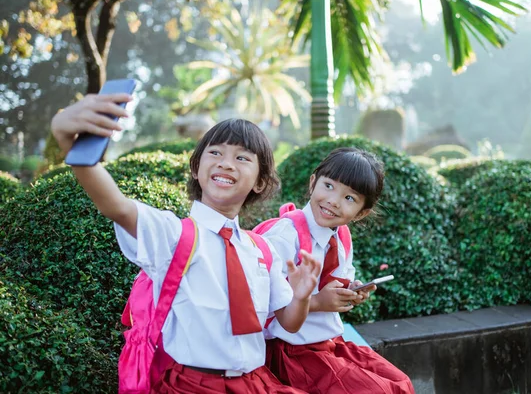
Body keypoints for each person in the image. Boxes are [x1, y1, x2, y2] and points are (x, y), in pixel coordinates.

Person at [51, 92, 321, 393]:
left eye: (242, 158)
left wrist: (301, 296)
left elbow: (289, 322)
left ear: (259, 181)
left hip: (255, 383)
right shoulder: (173, 234)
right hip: (191, 385)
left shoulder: (263, 250)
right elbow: (116, 206)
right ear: (196, 168)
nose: (227, 164)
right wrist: (74, 147)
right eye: (215, 153)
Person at [261, 147, 415, 394]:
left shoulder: (341, 236)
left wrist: (352, 290)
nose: (333, 200)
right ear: (313, 182)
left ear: (361, 213)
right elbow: (262, 301)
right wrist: (318, 302)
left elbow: (340, 279)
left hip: (328, 343)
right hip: (291, 352)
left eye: (349, 198)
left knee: (400, 383)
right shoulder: (285, 236)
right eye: (329, 186)